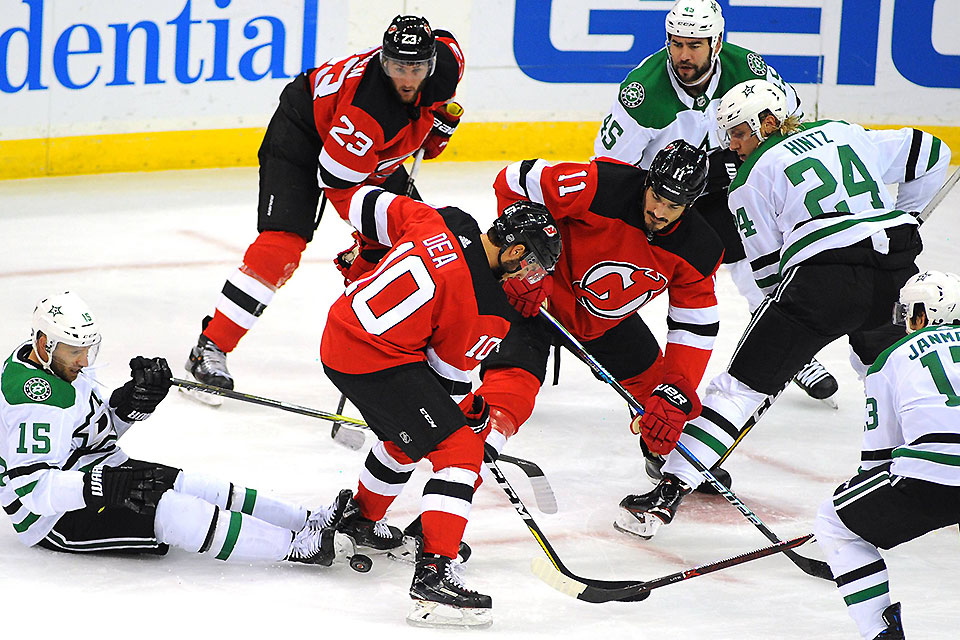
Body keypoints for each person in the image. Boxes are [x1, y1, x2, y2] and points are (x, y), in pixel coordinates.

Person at [615, 79, 951, 540]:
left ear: (768, 123)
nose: (731, 145)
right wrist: (908, 214)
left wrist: (778, 348)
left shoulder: (749, 179)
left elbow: (770, 275)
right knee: (897, 375)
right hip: (895, 269)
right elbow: (932, 151)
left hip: (821, 281)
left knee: (740, 388)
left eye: (738, 133)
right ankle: (941, 478)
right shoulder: (845, 131)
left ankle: (664, 495)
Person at [184, 15, 465, 401]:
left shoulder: (448, 62)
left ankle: (410, 352)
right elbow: (341, 185)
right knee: (281, 246)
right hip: (305, 131)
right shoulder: (366, 113)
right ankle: (210, 347)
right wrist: (370, 241)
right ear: (383, 62)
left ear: (432, 63)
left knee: (420, 245)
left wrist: (435, 129)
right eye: (398, 66)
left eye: (416, 67)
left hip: (363, 151)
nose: (407, 77)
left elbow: (431, 95)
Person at [319, 185, 561, 628]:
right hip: (376, 361)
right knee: (460, 452)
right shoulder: (487, 309)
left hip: (341, 332)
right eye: (531, 266)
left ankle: (362, 519)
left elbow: (367, 202)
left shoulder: (447, 218)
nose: (527, 277)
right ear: (515, 251)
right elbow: (449, 384)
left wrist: (367, 253)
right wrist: (474, 414)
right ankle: (434, 575)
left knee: (407, 435)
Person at [594, 0, 839, 404]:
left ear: (717, 42)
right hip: (664, 198)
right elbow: (609, 171)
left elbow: (791, 122)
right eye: (676, 44)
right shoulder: (642, 93)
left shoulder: (749, 71)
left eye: (695, 44)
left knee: (758, 253)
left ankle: (782, 342)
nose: (683, 55)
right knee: (643, 274)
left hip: (731, 184)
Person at [0, 292, 347, 566]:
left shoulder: (58, 364)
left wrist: (134, 402)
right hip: (55, 520)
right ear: (44, 342)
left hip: (92, 473)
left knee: (197, 486)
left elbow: (87, 436)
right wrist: (103, 486)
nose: (85, 360)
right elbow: (33, 488)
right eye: (75, 350)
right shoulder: (34, 398)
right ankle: (298, 547)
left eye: (88, 349)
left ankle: (308, 521)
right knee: (177, 512)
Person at [474, 140, 727, 491]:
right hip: (537, 302)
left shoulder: (699, 247)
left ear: (691, 203)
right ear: (648, 180)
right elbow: (514, 181)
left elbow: (694, 326)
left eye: (673, 205)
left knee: (664, 405)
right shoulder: (600, 185)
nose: (659, 211)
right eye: (656, 197)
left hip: (606, 323)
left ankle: (673, 465)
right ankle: (480, 443)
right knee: (514, 383)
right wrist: (530, 268)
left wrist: (676, 388)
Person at [813, 270, 960, 640]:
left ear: (923, 316)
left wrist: (860, 515)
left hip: (933, 477)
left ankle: (881, 633)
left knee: (835, 522)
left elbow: (877, 462)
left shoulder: (891, 358)